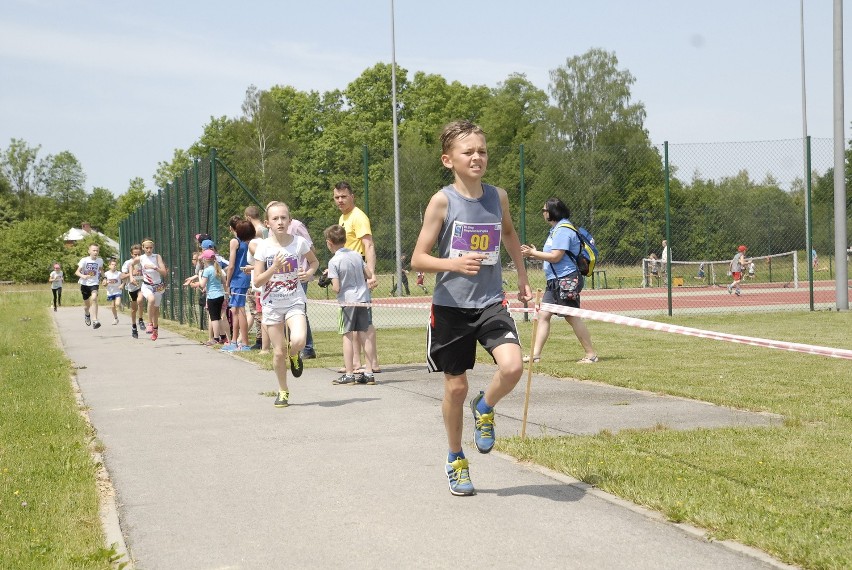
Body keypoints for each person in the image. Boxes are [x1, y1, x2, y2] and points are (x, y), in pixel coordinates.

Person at [411, 119, 532, 496]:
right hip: (451, 307)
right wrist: (453, 264)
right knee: (456, 387)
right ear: (449, 160)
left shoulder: (498, 196)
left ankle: (487, 405)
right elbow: (417, 258)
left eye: (482, 150)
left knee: (513, 366)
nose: (477, 157)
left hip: (490, 301)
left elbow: (509, 234)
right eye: (469, 152)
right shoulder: (442, 201)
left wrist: (524, 279)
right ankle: (455, 458)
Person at [252, 202, 319, 408]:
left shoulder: (299, 243)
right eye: (275, 219)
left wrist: (307, 274)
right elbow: (257, 281)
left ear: (289, 220)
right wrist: (273, 268)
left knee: (298, 339)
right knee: (278, 352)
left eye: (283, 218)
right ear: (267, 223)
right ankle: (283, 390)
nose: (280, 222)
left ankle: (295, 354)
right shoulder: (263, 246)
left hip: (294, 300)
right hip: (272, 304)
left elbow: (314, 262)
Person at [521, 197, 598, 365]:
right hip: (554, 281)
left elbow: (556, 257)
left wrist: (533, 254)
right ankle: (535, 355)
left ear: (553, 212)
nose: (543, 213)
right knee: (543, 315)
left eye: (544, 210)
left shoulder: (563, 230)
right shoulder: (556, 230)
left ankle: (591, 354)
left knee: (571, 316)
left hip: (567, 279)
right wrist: (536, 253)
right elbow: (552, 256)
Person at [333, 181, 380, 373]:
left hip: (359, 271)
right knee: (351, 322)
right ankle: (355, 363)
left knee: (364, 322)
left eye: (344, 196)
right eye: (337, 197)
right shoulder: (343, 217)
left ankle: (373, 364)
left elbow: (368, 245)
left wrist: (370, 273)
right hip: (347, 271)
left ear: (352, 196)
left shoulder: (358, 217)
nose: (340, 200)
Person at [324, 224, 376, 385]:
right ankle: (369, 372)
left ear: (329, 243)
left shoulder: (334, 261)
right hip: (363, 299)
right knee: (364, 334)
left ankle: (349, 373)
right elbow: (368, 274)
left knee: (347, 335)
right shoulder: (356, 255)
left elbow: (336, 287)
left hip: (347, 301)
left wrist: (328, 280)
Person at [223, 216, 256, 352]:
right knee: (235, 310)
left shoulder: (235, 241)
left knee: (240, 310)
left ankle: (245, 343)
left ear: (232, 228)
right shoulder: (248, 242)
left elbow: (231, 265)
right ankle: (234, 340)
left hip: (237, 277)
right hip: (244, 277)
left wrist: (227, 282)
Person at [288, 217, 317, 359]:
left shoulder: (297, 226)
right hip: (282, 278)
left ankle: (308, 347)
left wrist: (307, 272)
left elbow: (310, 248)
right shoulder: (272, 231)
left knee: (299, 311)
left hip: (300, 275)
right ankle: (291, 345)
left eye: (282, 217)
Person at [139, 238, 168, 341]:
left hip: (158, 286)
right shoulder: (141, 258)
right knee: (150, 300)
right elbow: (130, 264)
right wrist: (131, 276)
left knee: (155, 310)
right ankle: (149, 323)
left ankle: (155, 331)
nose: (149, 250)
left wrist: (154, 267)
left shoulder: (157, 257)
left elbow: (164, 273)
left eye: (150, 248)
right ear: (143, 248)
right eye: (146, 248)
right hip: (147, 285)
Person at [198, 249, 228, 346]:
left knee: (214, 318)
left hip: (212, 297)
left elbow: (202, 285)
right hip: (220, 295)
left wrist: (198, 278)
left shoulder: (207, 270)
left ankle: (215, 338)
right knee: (219, 317)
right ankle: (223, 336)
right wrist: (226, 293)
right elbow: (224, 281)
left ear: (205, 260)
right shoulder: (218, 268)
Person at [75, 243, 104, 329]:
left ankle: (95, 320)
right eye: (94, 250)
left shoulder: (100, 260)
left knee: (94, 298)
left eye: (97, 250)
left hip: (94, 283)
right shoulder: (84, 260)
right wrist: (83, 276)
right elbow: (77, 272)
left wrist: (105, 277)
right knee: (87, 306)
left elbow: (101, 270)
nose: (95, 252)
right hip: (84, 284)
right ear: (89, 251)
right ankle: (87, 313)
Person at [122, 244, 145, 338]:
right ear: (131, 254)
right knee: (133, 309)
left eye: (139, 254)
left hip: (142, 286)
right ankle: (134, 327)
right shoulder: (128, 263)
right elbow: (122, 276)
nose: (137, 256)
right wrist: (130, 274)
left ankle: (140, 320)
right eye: (135, 254)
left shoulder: (144, 261)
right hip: (131, 288)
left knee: (140, 300)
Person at [102, 259, 123, 325]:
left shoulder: (119, 273)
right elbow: (103, 284)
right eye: (112, 265)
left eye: (115, 265)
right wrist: (106, 283)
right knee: (113, 306)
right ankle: (116, 318)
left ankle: (120, 304)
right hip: (110, 292)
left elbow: (125, 280)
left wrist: (122, 284)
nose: (114, 266)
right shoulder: (106, 274)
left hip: (118, 291)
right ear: (109, 266)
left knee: (117, 303)